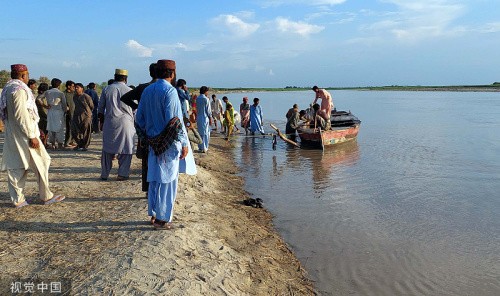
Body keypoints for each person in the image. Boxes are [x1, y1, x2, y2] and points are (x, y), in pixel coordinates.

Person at [135, 59, 196, 230]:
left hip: (152, 143)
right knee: (168, 181)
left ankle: (154, 214)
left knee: (154, 179)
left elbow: (139, 119)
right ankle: (162, 219)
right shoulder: (170, 91)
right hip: (168, 144)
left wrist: (146, 136)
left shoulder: (147, 91)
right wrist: (184, 143)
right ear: (172, 73)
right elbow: (174, 121)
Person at [0, 64, 65, 208]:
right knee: (39, 162)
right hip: (24, 135)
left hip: (17, 133)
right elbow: (21, 115)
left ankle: (21, 199)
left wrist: (36, 130)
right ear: (23, 75)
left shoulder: (8, 88)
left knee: (19, 165)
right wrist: (32, 135)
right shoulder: (19, 90)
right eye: (27, 75)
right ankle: (44, 197)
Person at [120, 62, 157, 195]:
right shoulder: (166, 88)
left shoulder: (143, 87)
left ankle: (148, 190)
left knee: (147, 160)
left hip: (145, 129)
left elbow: (125, 98)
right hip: (160, 129)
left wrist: (137, 106)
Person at [97, 69, 134, 181]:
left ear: (114, 77)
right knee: (126, 148)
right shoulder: (129, 90)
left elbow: (100, 109)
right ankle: (122, 174)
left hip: (110, 121)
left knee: (107, 148)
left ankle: (104, 174)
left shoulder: (107, 89)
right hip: (126, 123)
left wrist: (102, 123)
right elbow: (135, 108)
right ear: (126, 79)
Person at [45, 78, 67, 150]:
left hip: (50, 111)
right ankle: (60, 144)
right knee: (59, 128)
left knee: (51, 128)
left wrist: (45, 106)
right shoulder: (60, 93)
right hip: (58, 111)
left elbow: (39, 99)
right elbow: (64, 104)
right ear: (59, 85)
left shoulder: (47, 92)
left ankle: (53, 144)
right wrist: (65, 111)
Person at [71, 83, 94, 151]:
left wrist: (87, 113)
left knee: (86, 131)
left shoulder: (86, 97)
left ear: (82, 89)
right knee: (74, 131)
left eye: (78, 87)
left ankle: (85, 145)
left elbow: (91, 106)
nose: (76, 88)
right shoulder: (74, 97)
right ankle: (79, 144)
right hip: (76, 115)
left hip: (86, 116)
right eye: (75, 87)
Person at [196, 86, 212, 153]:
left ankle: (200, 146)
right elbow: (208, 110)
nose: (208, 93)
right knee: (206, 133)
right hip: (204, 117)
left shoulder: (197, 98)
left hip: (199, 117)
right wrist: (210, 118)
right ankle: (204, 147)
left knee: (200, 132)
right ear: (205, 91)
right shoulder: (206, 99)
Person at [64, 80, 76, 147]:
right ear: (68, 86)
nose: (74, 88)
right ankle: (67, 142)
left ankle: (72, 141)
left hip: (75, 113)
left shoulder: (75, 94)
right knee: (68, 128)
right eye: (73, 86)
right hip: (68, 114)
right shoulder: (64, 94)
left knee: (74, 128)